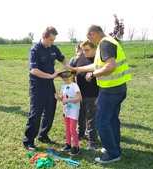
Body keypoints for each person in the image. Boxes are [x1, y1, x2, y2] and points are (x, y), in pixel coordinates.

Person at [73, 24, 132, 163]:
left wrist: (92, 75)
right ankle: (114, 148)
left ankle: (112, 154)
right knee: (112, 120)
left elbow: (110, 67)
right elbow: (98, 64)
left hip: (110, 90)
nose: (89, 40)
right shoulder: (110, 41)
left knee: (101, 121)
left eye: (88, 37)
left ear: (93, 34)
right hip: (119, 88)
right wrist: (79, 69)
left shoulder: (104, 44)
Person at [23, 26, 70, 151]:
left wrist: (68, 67)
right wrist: (52, 76)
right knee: (35, 113)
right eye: (50, 40)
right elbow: (34, 71)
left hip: (50, 85)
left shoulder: (53, 48)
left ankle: (43, 135)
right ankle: (28, 141)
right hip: (37, 85)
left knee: (50, 111)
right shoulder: (35, 50)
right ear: (43, 37)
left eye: (54, 40)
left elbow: (63, 58)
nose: (52, 42)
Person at [71, 40, 99, 150]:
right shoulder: (80, 59)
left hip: (92, 95)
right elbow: (73, 73)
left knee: (91, 118)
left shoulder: (98, 61)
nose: (84, 52)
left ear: (95, 48)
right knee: (80, 114)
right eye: (83, 50)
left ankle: (92, 139)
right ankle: (81, 132)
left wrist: (99, 96)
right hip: (80, 94)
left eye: (87, 50)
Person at [54, 70, 82, 155]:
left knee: (72, 128)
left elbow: (79, 98)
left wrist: (68, 100)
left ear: (73, 75)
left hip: (73, 111)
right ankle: (68, 144)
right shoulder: (63, 86)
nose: (65, 77)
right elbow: (63, 99)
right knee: (67, 128)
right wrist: (58, 98)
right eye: (63, 75)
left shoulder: (75, 86)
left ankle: (76, 146)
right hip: (66, 111)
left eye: (67, 74)